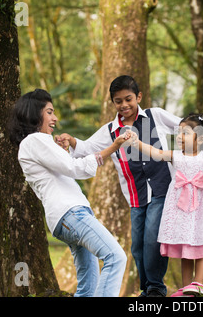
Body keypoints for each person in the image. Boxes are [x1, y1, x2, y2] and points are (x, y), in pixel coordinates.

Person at [56, 75, 181, 297]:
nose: (124, 105)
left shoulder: (155, 116)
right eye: (118, 101)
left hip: (162, 189)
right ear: (112, 102)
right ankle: (147, 289)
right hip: (135, 196)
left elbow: (186, 127)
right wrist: (71, 140)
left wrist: (186, 155)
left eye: (128, 99)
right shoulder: (110, 131)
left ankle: (156, 288)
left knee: (153, 237)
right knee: (138, 245)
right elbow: (86, 148)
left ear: (138, 97)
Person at [8, 89, 128, 297]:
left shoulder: (34, 144)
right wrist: (113, 146)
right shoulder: (34, 140)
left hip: (68, 217)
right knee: (116, 257)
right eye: (49, 112)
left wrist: (64, 151)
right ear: (34, 113)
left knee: (89, 283)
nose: (55, 118)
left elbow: (63, 170)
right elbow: (75, 168)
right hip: (71, 214)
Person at [130, 113, 203, 297]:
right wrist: (137, 143)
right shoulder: (176, 155)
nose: (180, 136)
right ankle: (185, 287)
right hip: (180, 210)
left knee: (201, 243)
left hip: (200, 208)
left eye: (186, 133)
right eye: (179, 132)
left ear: (201, 139)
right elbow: (156, 152)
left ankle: (198, 283)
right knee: (185, 247)